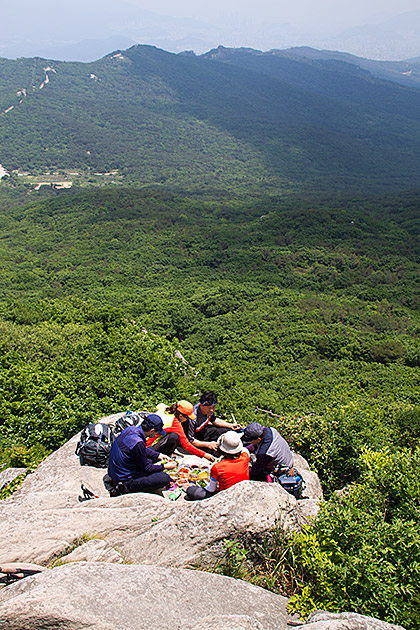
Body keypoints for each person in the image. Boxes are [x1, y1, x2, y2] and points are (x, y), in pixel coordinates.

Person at [106, 414, 176, 495]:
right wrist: (165, 466)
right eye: (156, 432)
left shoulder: (131, 429)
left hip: (116, 471)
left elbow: (138, 450)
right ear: (152, 430)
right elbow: (146, 468)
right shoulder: (138, 443)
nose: (156, 434)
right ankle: (124, 489)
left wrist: (158, 455)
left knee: (151, 457)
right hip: (124, 480)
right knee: (164, 478)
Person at [186, 431, 250, 500]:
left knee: (191, 490)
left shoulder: (217, 467)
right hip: (243, 491)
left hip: (226, 496)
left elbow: (211, 489)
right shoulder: (245, 457)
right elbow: (244, 450)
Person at [148, 400, 215, 463]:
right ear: (180, 416)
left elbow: (159, 405)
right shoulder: (174, 424)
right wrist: (205, 455)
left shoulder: (164, 409)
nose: (187, 420)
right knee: (174, 437)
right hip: (148, 448)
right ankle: (155, 458)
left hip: (144, 439)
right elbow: (186, 445)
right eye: (187, 418)